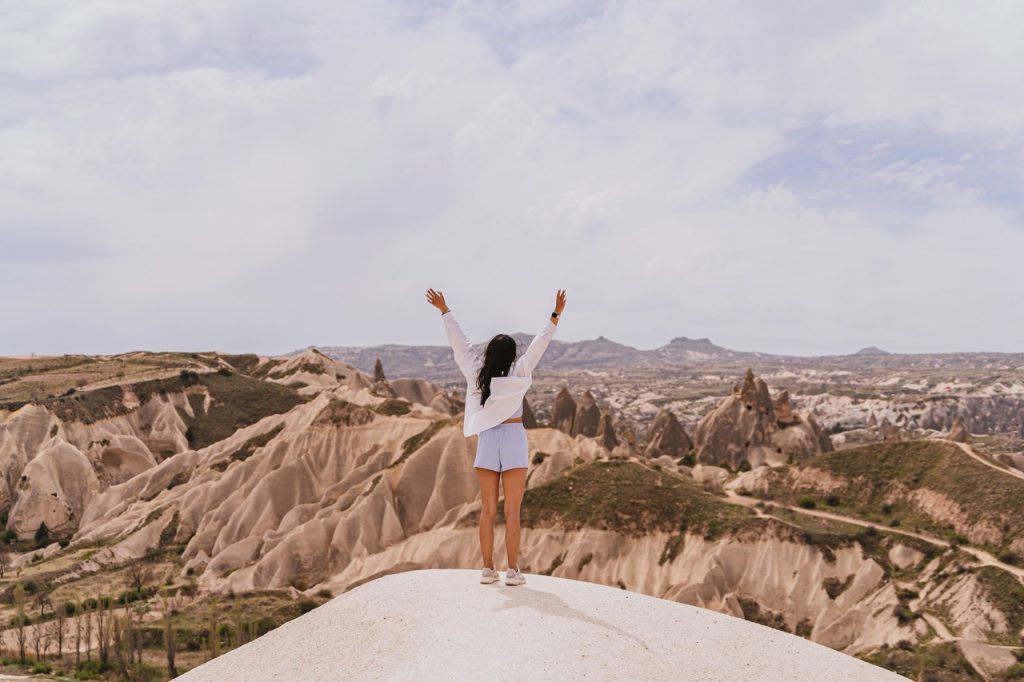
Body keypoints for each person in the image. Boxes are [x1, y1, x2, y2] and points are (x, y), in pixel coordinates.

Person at [425, 287, 566, 586]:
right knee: (512, 510)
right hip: (514, 437)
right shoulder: (519, 372)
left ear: (489, 353)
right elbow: (539, 346)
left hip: (488, 439)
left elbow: (460, 345)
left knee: (487, 511)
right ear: (512, 355)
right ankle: (513, 570)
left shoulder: (477, 373)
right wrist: (555, 315)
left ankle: (488, 569)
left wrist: (445, 310)